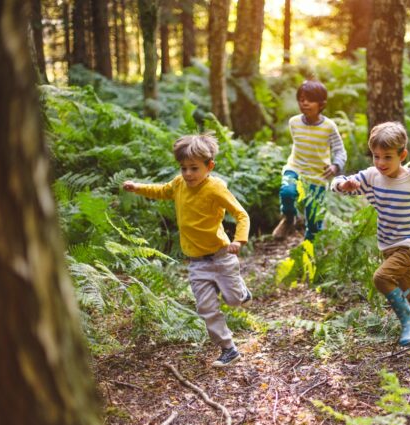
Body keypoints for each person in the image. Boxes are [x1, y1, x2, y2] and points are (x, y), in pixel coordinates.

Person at [122, 132, 251, 368]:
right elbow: (162, 191)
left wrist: (239, 241)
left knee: (234, 301)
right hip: (196, 262)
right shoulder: (179, 184)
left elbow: (241, 215)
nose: (188, 174)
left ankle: (241, 292)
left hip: (222, 256)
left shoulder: (215, 188)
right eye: (183, 168)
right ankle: (228, 349)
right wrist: (137, 187)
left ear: (209, 166)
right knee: (206, 308)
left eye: (194, 168)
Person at [331, 122, 410, 346]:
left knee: (382, 277)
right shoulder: (373, 176)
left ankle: (409, 323)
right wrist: (345, 185)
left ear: (402, 155)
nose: (381, 163)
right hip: (389, 243)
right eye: (376, 156)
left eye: (388, 157)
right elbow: (336, 182)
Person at [272, 79, 347, 241]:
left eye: (310, 100)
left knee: (313, 221)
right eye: (301, 99)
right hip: (295, 168)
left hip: (317, 177)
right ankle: (288, 219)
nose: (304, 103)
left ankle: (310, 253)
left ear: (321, 104)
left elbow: (340, 150)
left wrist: (335, 166)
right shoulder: (294, 122)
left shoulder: (329, 127)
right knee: (287, 192)